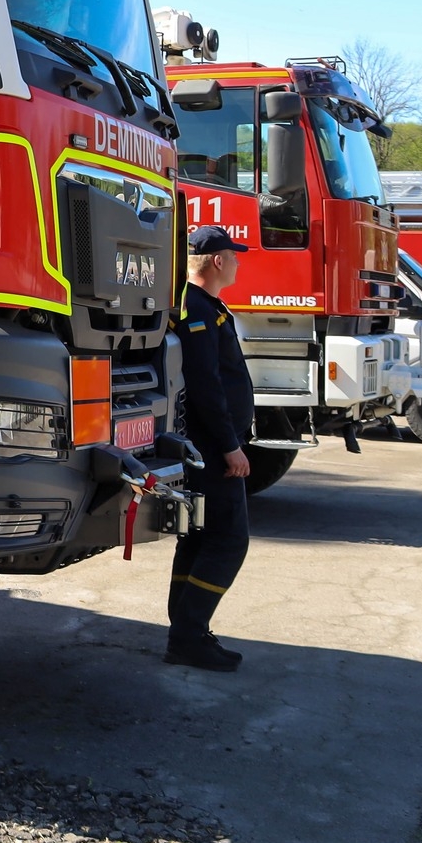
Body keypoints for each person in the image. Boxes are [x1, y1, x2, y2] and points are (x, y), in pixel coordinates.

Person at [168, 225, 254, 673]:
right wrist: (229, 446)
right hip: (212, 449)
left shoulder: (203, 305)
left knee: (199, 538)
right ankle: (187, 635)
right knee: (227, 540)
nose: (239, 261)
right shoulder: (196, 308)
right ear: (217, 261)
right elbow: (206, 385)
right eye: (234, 256)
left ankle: (187, 631)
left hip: (209, 446)